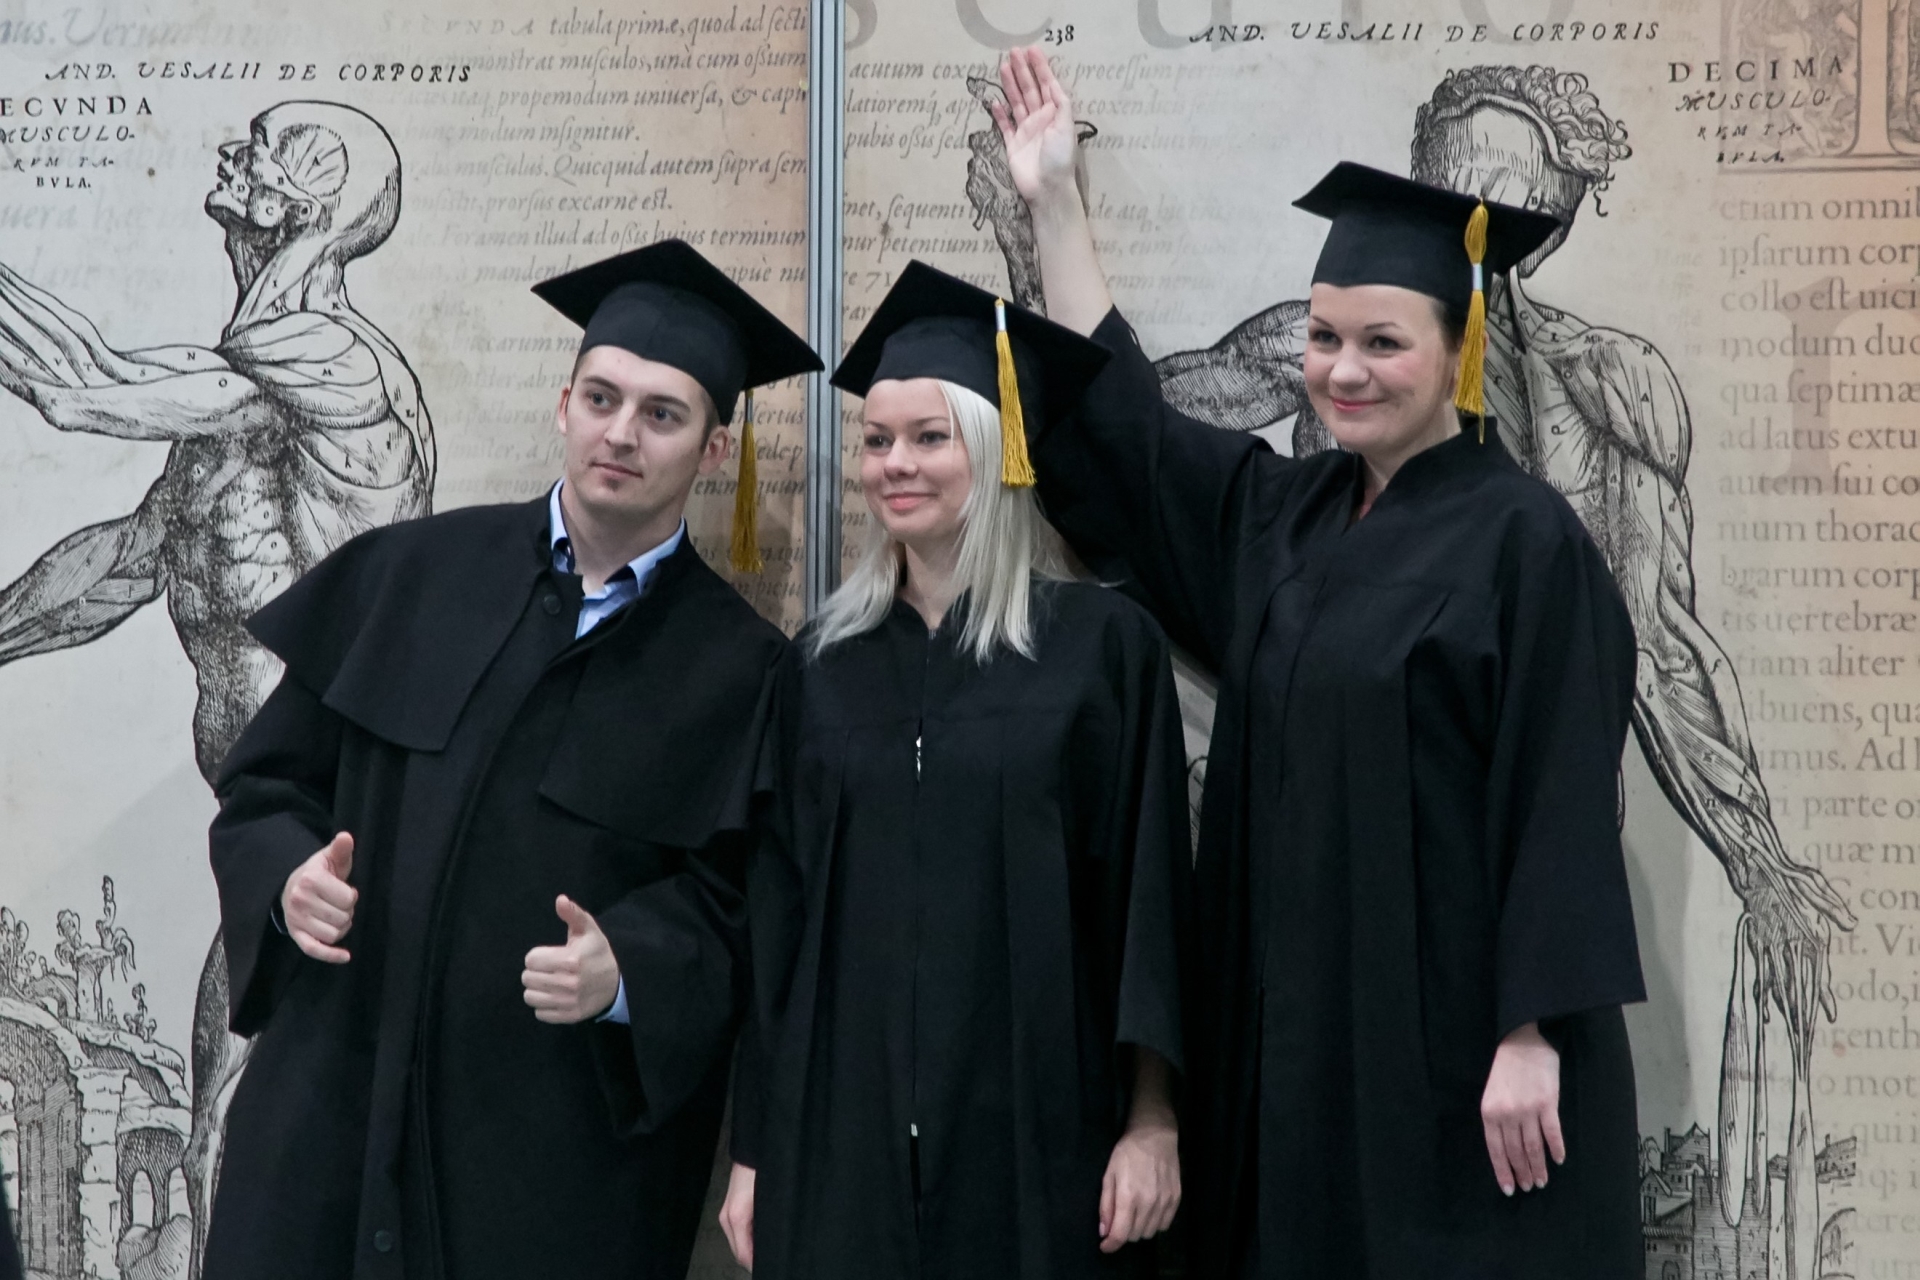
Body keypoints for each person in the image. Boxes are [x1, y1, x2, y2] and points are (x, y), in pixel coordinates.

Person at [992, 47, 1647, 1280]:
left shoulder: (1527, 541)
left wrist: (1532, 1028)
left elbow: (1559, 791)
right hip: (1289, 1030)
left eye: (1383, 342)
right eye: (1325, 336)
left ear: (1457, 347)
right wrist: (1055, 205)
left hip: (1453, 1041)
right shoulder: (1281, 516)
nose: (1344, 369)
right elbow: (1135, 442)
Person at [200, 239, 821, 1280]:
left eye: (662, 414)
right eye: (601, 398)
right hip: (333, 1109)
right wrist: (285, 879)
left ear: (716, 450)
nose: (620, 433)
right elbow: (265, 786)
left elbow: (746, 910)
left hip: (552, 1156)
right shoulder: (411, 571)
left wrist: (631, 967)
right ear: (564, 404)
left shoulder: (744, 671)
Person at [719, 262, 1192, 1280]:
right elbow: (778, 924)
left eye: (930, 437)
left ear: (996, 447)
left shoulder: (1101, 649)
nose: (896, 463)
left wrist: (1152, 1120)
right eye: (877, 439)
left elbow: (1145, 903)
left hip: (1041, 1131)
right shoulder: (817, 669)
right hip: (841, 1141)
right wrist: (755, 1147)